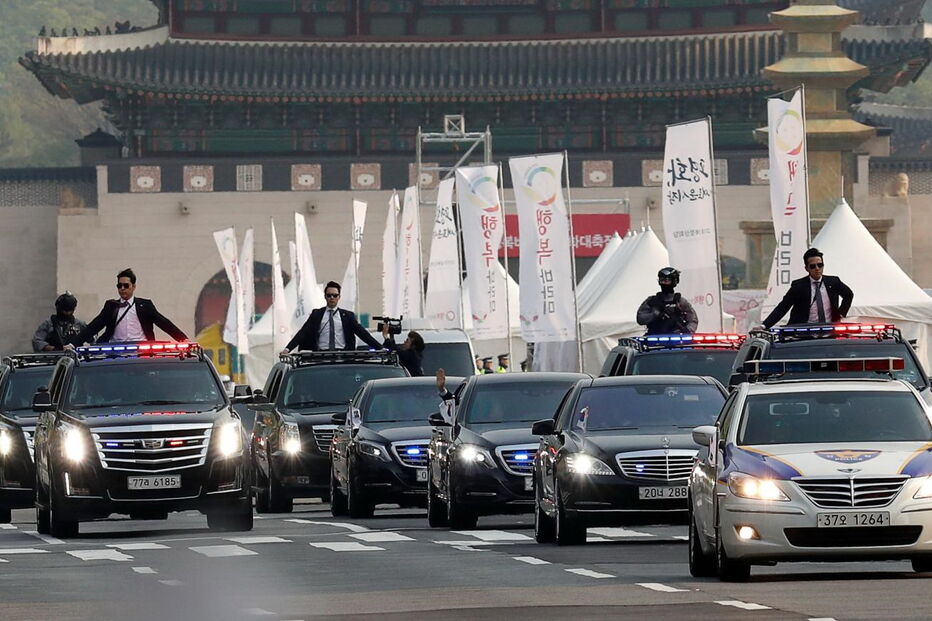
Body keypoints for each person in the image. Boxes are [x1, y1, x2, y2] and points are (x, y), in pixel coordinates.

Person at [74, 268, 187, 344]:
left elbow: (164, 323)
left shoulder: (145, 305)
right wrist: (73, 344)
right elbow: (94, 326)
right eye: (119, 285)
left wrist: (183, 339)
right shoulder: (111, 306)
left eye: (126, 285)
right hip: (116, 351)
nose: (122, 288)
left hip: (142, 351)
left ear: (133, 286)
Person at [761, 248, 854, 329]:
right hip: (805, 332)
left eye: (820, 265)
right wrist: (764, 326)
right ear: (806, 268)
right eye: (813, 266)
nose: (817, 268)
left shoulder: (833, 282)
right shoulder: (798, 286)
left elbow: (849, 294)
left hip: (829, 330)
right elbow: (782, 308)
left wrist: (841, 314)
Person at [281, 281, 381, 353]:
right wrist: (287, 349)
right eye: (329, 295)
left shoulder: (347, 316)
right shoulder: (317, 314)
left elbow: (362, 333)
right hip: (321, 354)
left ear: (339, 297)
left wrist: (380, 348)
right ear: (325, 297)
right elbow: (303, 332)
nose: (332, 298)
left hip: (342, 354)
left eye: (335, 295)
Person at [636, 267, 699, 335]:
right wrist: (654, 314)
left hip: (677, 338)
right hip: (654, 337)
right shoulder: (652, 301)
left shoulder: (681, 302)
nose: (664, 283)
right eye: (662, 280)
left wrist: (686, 332)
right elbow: (640, 319)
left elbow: (693, 320)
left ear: (674, 281)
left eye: (667, 280)